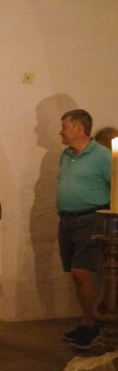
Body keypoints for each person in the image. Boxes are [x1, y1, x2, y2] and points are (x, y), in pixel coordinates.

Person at [57, 109, 110, 350]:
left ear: (79, 129)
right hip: (67, 220)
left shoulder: (102, 156)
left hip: (91, 219)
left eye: (64, 126)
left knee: (82, 272)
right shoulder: (66, 155)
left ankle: (92, 325)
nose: (61, 131)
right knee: (76, 275)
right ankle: (87, 322)